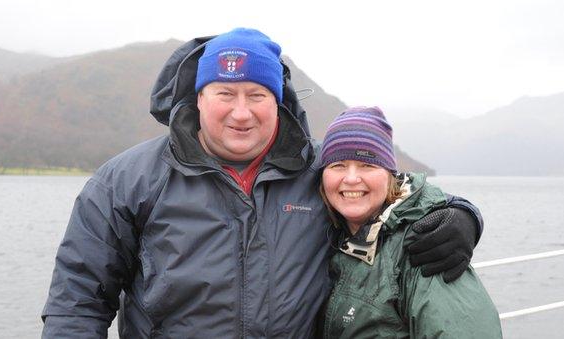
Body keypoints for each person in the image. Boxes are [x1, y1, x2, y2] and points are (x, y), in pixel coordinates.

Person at [41, 28, 484, 338]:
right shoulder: (128, 179)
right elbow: (77, 296)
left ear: (278, 102)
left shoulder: (321, 171)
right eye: (225, 94)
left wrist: (462, 215)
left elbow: (393, 192)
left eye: (257, 95)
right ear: (199, 98)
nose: (241, 111)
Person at [318, 106, 502, 338]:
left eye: (368, 165)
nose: (352, 178)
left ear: (390, 176)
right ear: (322, 175)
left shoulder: (427, 244)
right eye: (338, 165)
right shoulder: (331, 236)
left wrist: (467, 215)